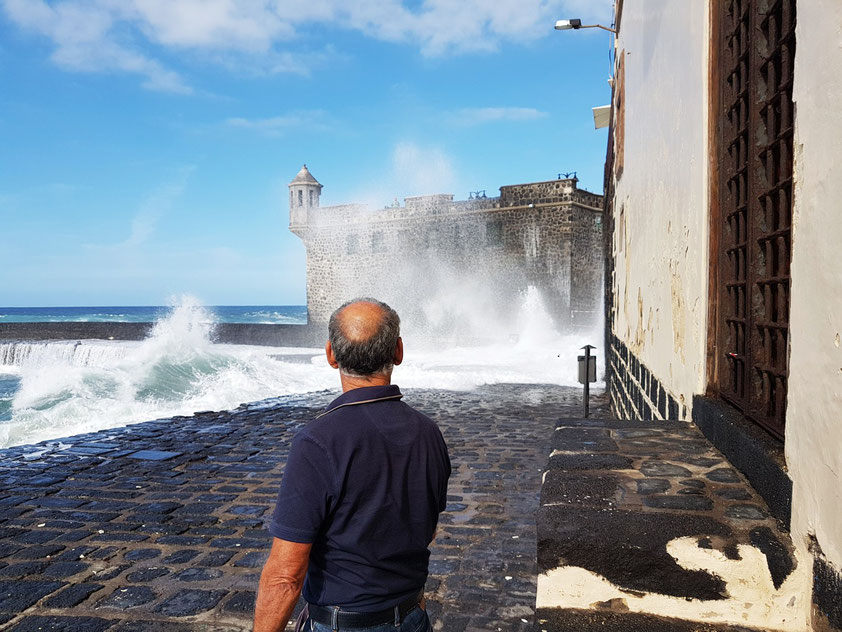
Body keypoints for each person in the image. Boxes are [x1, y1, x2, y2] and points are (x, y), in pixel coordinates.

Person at [254, 298, 451, 632]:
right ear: (398, 352)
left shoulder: (317, 442)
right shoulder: (429, 432)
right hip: (412, 618)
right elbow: (426, 529)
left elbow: (286, 576)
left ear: (331, 355)